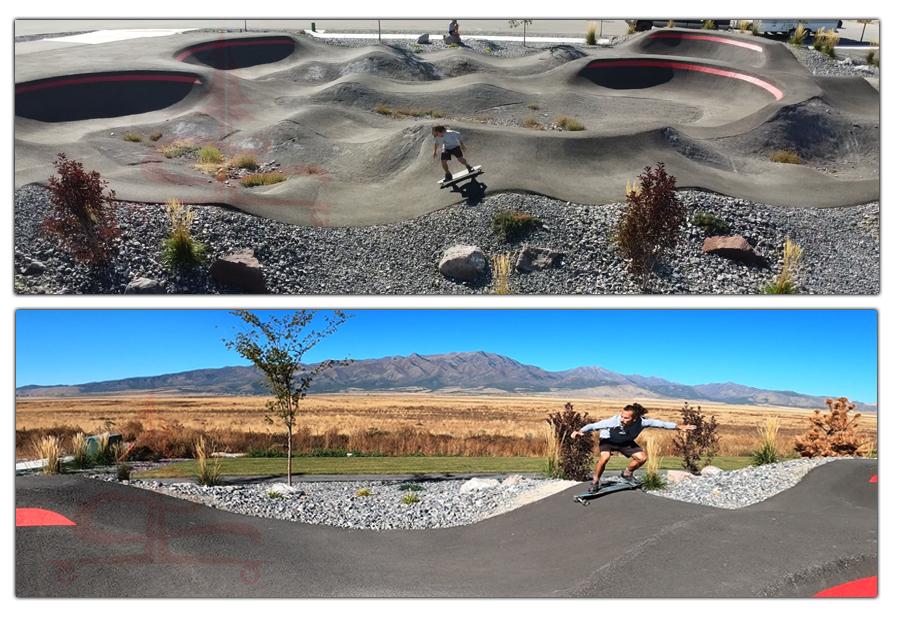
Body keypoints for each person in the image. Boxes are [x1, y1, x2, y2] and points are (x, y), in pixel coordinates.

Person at [571, 403, 696, 492]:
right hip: (608, 439)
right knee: (605, 458)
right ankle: (595, 482)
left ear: (635, 419)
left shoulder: (642, 422)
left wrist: (678, 426)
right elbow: (593, 426)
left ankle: (627, 474)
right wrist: (580, 431)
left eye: (626, 418)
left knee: (642, 458)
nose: (622, 419)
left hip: (626, 441)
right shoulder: (613, 421)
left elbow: (661, 424)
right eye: (622, 416)